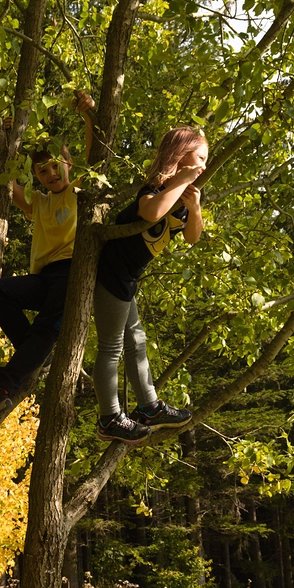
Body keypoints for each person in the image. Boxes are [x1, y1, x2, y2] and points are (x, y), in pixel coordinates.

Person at [93, 126, 207, 443]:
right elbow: (152, 212)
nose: (203, 166)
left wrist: (195, 208)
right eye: (199, 158)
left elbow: (192, 237)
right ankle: (109, 418)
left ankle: (149, 408)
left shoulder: (184, 197)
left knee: (137, 341)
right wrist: (181, 180)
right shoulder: (155, 187)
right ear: (180, 155)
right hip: (111, 272)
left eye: (206, 160)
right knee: (112, 347)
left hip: (128, 276)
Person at [0, 91, 95, 414]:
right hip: (44, 277)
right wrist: (8, 138)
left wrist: (88, 114)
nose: (50, 175)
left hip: (72, 272)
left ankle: (4, 383)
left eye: (54, 166)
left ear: (68, 164)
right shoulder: (40, 202)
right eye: (42, 172)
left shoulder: (78, 190)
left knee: (47, 328)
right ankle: (36, 354)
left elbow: (95, 156)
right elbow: (7, 183)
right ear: (35, 176)